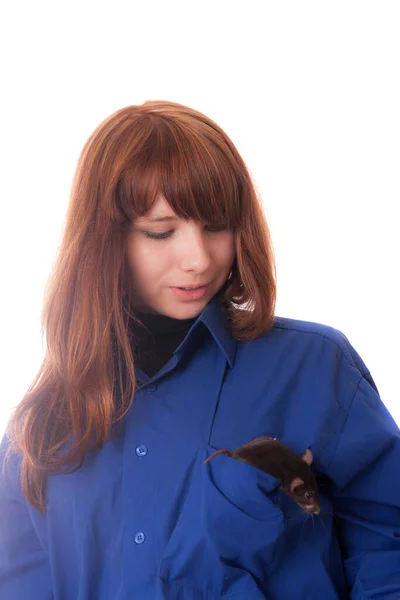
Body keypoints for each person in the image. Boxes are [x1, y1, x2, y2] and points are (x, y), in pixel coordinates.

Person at [0, 100, 399, 600]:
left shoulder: (316, 369)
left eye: (216, 225)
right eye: (161, 232)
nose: (199, 258)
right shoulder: (39, 431)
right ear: (104, 242)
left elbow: (388, 541)